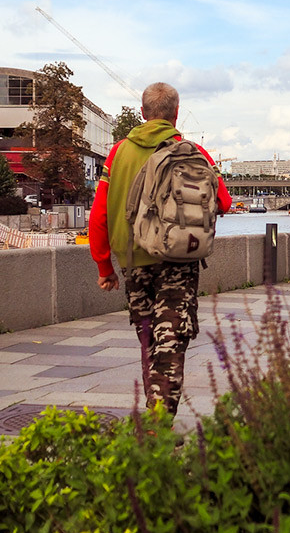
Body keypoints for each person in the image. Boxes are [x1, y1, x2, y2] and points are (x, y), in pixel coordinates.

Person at [88, 83, 231, 415]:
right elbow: (222, 201)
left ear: (142, 113)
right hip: (178, 260)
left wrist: (104, 267)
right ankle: (157, 427)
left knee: (149, 338)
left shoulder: (118, 152)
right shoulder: (191, 151)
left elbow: (99, 215)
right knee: (170, 343)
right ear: (176, 114)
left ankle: (154, 421)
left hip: (134, 261)